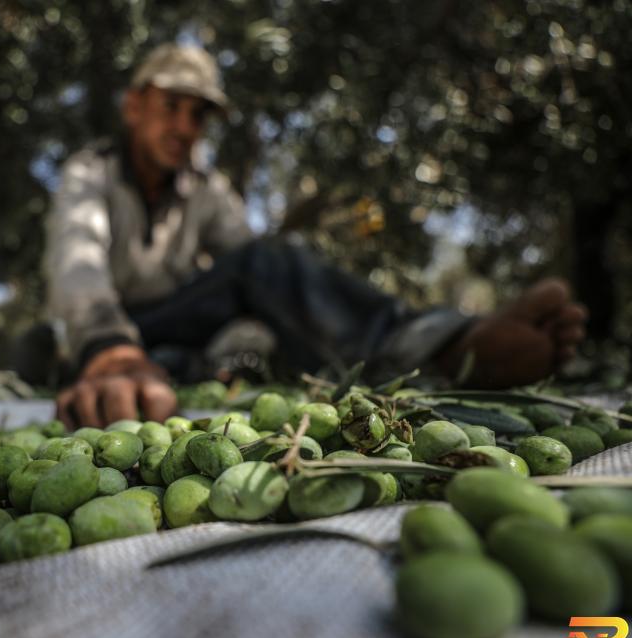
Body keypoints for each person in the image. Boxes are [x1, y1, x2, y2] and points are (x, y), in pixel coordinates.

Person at [44, 43, 587, 429]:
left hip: (177, 320)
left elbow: (254, 264)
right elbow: (77, 265)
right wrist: (109, 349)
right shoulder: (89, 173)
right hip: (112, 329)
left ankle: (437, 350)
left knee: (267, 268)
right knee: (45, 352)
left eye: (199, 116)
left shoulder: (206, 188)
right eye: (171, 107)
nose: (185, 128)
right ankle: (131, 369)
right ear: (134, 106)